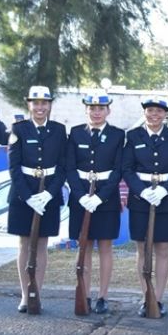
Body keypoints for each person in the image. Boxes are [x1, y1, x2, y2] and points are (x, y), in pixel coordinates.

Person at [122, 97, 168, 317]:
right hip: (141, 199)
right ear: (145, 113)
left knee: (163, 249)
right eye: (150, 110)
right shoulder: (133, 136)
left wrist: (164, 190)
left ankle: (158, 298)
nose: (154, 115)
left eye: (159, 111)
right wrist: (142, 191)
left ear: (166, 114)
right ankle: (146, 296)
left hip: (166, 199)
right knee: (142, 249)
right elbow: (127, 169)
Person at [7, 86, 67, 313]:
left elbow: (63, 166)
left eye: (44, 103)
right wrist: (28, 196)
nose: (40, 107)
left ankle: (36, 293)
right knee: (24, 243)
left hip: (48, 193)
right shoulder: (19, 129)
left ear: (50, 105)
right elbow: (14, 167)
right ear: (29, 104)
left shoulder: (59, 130)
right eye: (36, 103)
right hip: (23, 194)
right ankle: (25, 295)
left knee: (42, 243)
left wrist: (49, 193)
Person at [65, 92, 126, 314]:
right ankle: (84, 293)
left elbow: (118, 169)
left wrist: (101, 197)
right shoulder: (75, 133)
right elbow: (69, 167)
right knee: (84, 246)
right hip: (80, 196)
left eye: (101, 108)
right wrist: (81, 195)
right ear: (86, 110)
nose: (96, 112)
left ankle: (102, 296)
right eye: (92, 108)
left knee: (105, 247)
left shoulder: (117, 135)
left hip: (106, 198)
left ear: (108, 110)